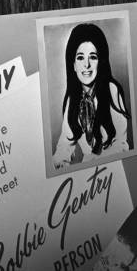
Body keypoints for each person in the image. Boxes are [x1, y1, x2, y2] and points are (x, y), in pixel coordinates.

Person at [52, 23, 131, 168]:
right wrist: (59, 163)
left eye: (93, 57)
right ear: (74, 64)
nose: (86, 65)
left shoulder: (111, 89)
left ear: (100, 62)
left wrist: (95, 163)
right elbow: (65, 144)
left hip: (114, 168)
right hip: (88, 173)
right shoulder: (72, 98)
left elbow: (121, 145)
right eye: (80, 58)